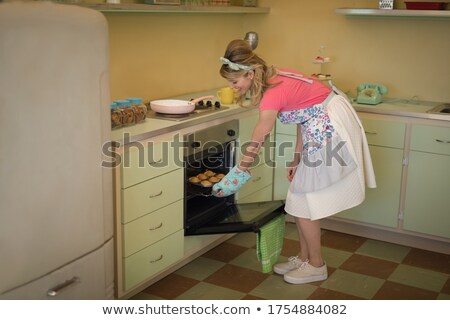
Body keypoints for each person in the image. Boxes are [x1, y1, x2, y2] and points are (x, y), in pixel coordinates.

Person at [212, 39, 376, 284]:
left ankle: (316, 265)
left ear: (249, 73)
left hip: (329, 127)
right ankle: (304, 258)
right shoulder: (273, 76)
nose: (233, 88)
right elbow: (304, 114)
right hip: (319, 122)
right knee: (298, 197)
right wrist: (297, 158)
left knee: (304, 199)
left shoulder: (272, 92)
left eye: (235, 82)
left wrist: (240, 170)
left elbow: (261, 133)